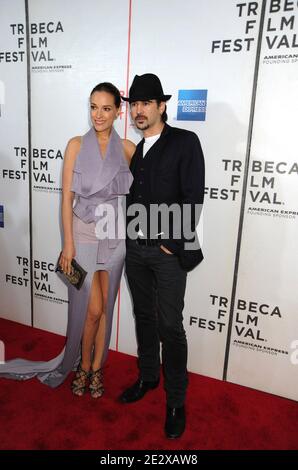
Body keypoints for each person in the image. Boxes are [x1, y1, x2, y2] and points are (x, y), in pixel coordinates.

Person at [0, 82, 135, 397]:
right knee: (89, 309)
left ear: (118, 111)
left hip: (114, 238)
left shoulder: (128, 148)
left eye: (105, 108)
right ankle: (81, 366)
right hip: (82, 234)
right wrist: (68, 244)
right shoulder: (75, 145)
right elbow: (65, 199)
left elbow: (147, 189)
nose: (97, 115)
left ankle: (96, 370)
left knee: (105, 309)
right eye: (92, 107)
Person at [119, 74, 205, 438]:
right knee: (143, 316)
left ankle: (176, 400)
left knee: (170, 325)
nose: (138, 110)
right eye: (134, 104)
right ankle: (149, 377)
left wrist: (171, 242)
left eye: (145, 103)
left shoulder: (185, 142)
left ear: (161, 106)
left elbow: (193, 196)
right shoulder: (139, 148)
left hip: (167, 252)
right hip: (136, 251)